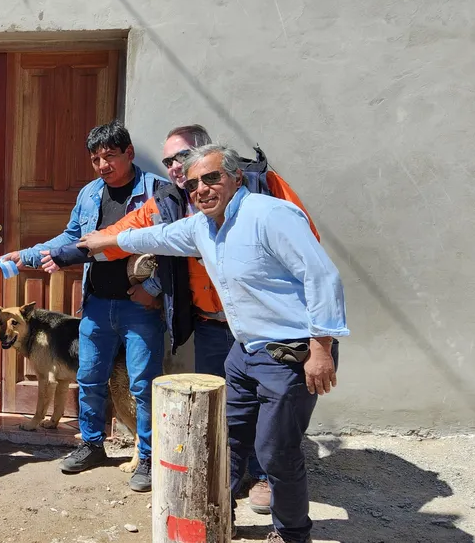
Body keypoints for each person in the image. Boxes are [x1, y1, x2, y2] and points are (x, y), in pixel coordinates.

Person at [41, 124, 318, 512]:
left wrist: (321, 343)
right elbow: (136, 233)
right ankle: (224, 492)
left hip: (272, 334)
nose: (176, 168)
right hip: (212, 324)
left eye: (185, 159)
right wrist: (78, 250)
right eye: (170, 160)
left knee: (272, 427)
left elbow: (317, 270)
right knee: (227, 416)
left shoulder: (266, 197)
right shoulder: (177, 204)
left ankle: (267, 485)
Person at [78, 143, 348, 543]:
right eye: (193, 185)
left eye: (212, 177)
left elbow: (322, 276)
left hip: (291, 353)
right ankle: (217, 521)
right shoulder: (202, 226)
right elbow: (156, 235)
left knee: (275, 450)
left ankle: (292, 534)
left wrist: (322, 348)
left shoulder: (270, 215)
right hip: (244, 351)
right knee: (226, 442)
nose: (202, 189)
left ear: (236, 178)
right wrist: (101, 242)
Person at [0, 120, 167, 492]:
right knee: (90, 378)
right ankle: (92, 445)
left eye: (110, 157)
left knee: (142, 384)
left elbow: (174, 247)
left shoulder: (158, 192)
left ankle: (149, 456)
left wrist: (154, 289)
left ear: (129, 154)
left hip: (139, 308)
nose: (103, 165)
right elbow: (71, 238)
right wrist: (26, 253)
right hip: (95, 305)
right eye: (96, 159)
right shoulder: (91, 193)